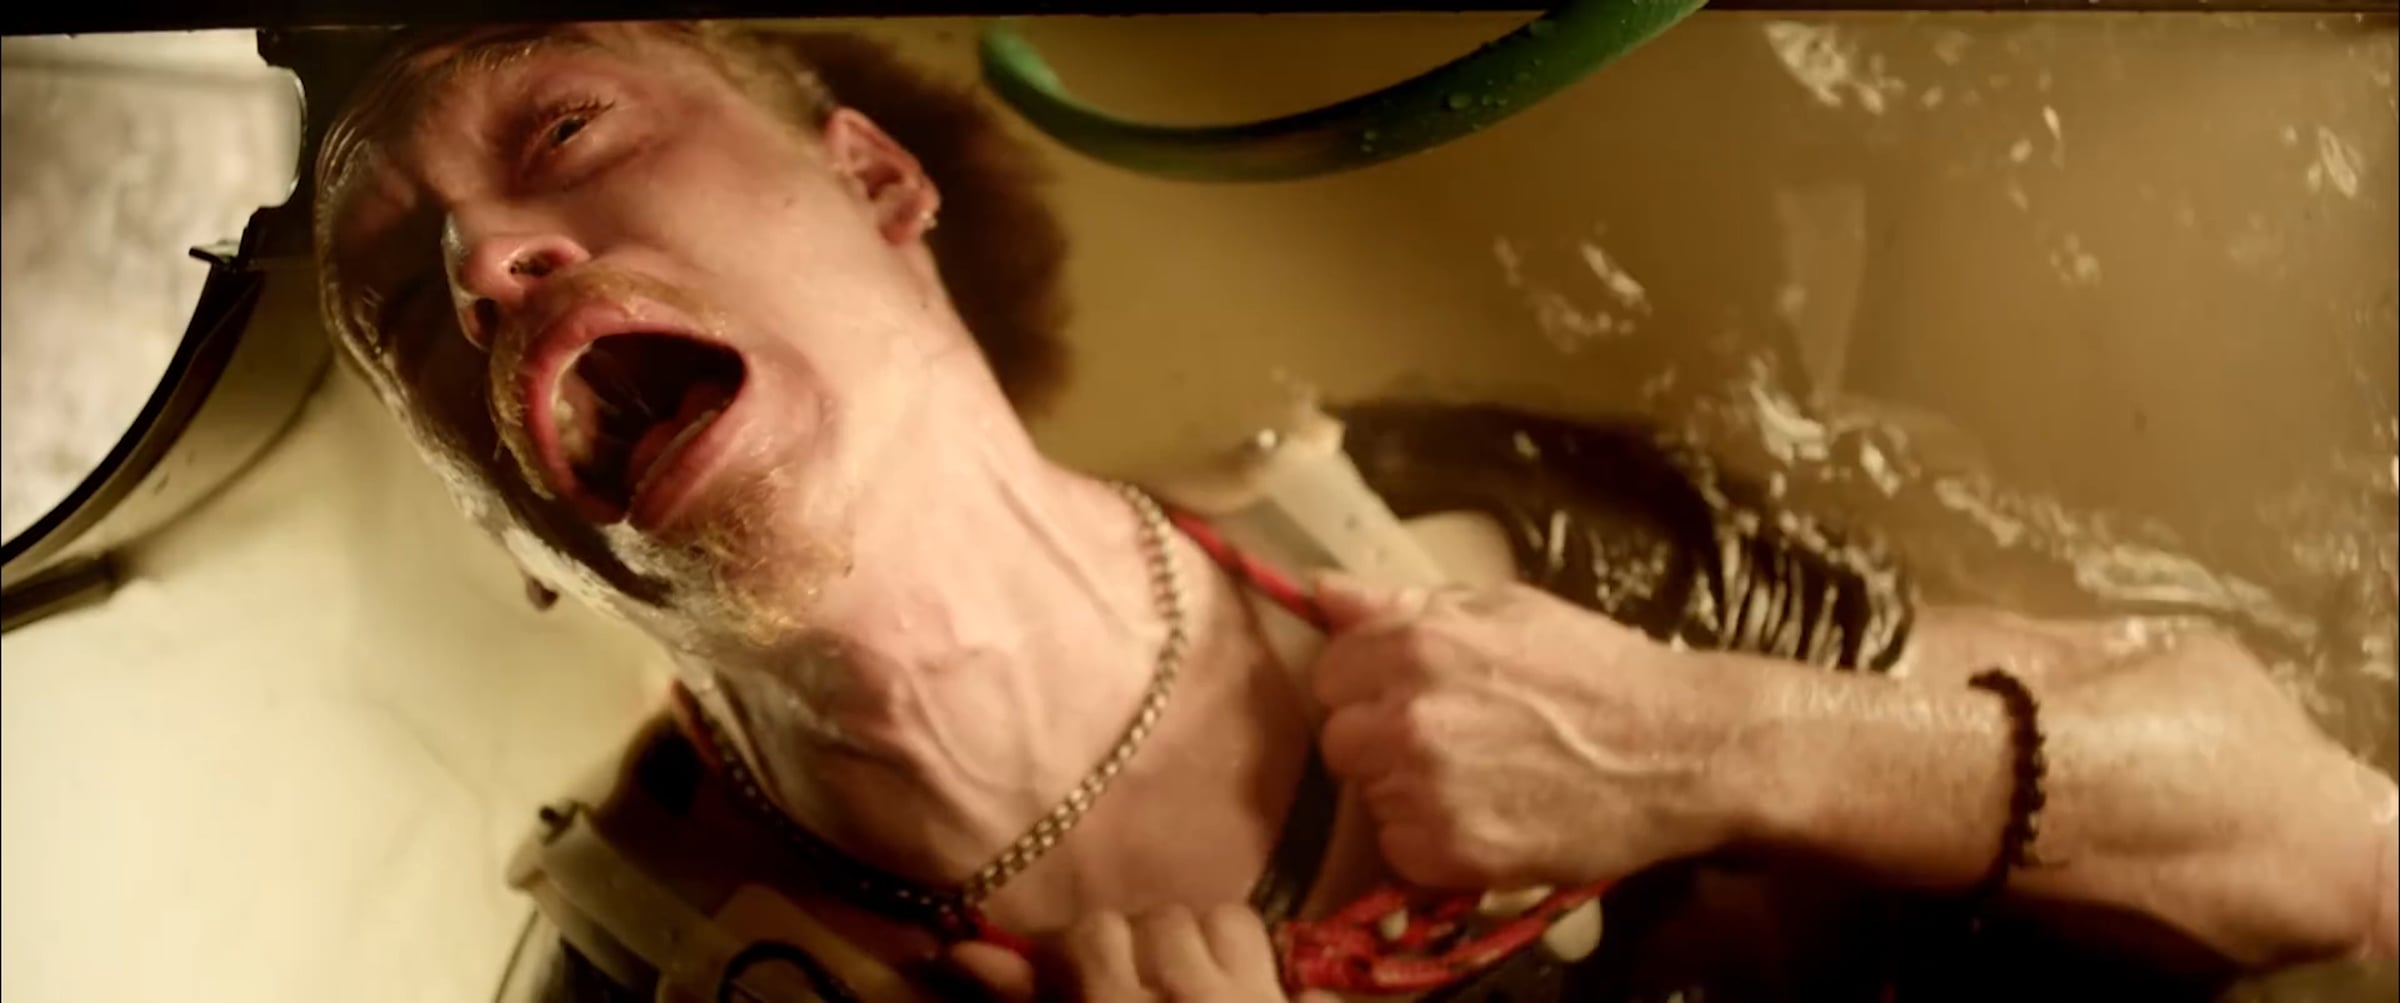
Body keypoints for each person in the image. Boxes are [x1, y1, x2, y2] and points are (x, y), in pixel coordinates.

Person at [308, 20, 2398, 1003]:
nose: (489, 266)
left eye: (562, 133)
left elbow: (2332, 847)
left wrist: (1717, 742)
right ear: (515, 527)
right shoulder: (644, 986)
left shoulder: (1472, 531)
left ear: (874, 181)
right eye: (411, 309)